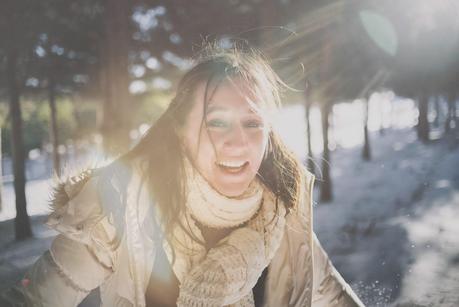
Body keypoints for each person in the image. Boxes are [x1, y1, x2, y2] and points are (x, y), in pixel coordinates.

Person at [2, 44, 364, 307]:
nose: (238, 143)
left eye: (252, 123)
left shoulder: (282, 211)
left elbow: (330, 294)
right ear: (179, 129)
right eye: (216, 122)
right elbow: (33, 297)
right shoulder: (122, 201)